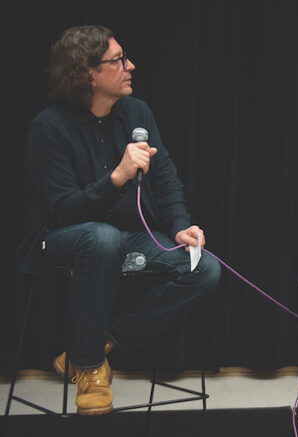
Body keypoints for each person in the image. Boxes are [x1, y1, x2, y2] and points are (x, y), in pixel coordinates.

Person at [16, 25, 221, 415]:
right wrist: (116, 179)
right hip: (59, 239)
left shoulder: (137, 112)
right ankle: (91, 371)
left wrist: (179, 224)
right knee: (102, 237)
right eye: (118, 60)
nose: (131, 65)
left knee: (204, 267)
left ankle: (93, 348)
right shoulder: (49, 127)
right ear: (87, 73)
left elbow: (165, 177)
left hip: (125, 236)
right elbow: (62, 210)